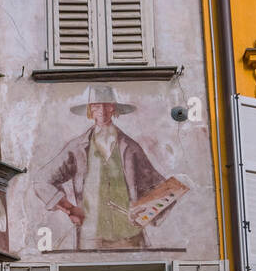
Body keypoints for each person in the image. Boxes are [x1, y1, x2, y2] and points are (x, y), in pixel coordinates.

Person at [33, 86, 167, 250]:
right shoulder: (77, 148)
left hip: (130, 236)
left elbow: (160, 187)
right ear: (90, 110)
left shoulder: (131, 148)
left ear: (114, 108)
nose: (102, 111)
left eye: (107, 105)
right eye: (96, 106)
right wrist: (69, 208)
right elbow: (41, 180)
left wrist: (145, 212)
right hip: (91, 236)